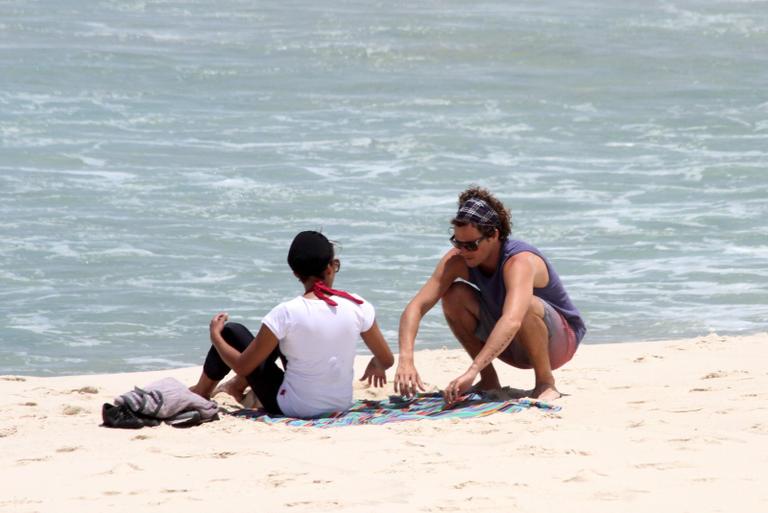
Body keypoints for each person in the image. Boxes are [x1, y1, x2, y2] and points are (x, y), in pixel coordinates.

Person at [394, 186, 586, 403]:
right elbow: (416, 306)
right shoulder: (458, 260)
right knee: (454, 294)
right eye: (457, 243)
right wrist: (406, 358)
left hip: (558, 343)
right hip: (512, 343)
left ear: (493, 235)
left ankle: (545, 383)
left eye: (471, 245)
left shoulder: (519, 262)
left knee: (526, 305)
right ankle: (489, 380)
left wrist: (471, 370)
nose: (463, 251)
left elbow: (512, 320)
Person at [190, 230, 394, 418]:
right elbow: (386, 359)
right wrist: (376, 364)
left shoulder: (287, 312)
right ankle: (233, 388)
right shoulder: (357, 305)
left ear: (296, 273)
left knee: (233, 332)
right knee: (282, 338)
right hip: (340, 405)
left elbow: (243, 366)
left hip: (292, 407)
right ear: (331, 267)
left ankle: (201, 392)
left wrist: (215, 336)